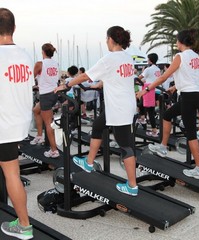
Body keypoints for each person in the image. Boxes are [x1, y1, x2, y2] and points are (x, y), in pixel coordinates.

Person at [55, 26, 138, 196]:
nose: (105, 41)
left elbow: (86, 76)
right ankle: (89, 162)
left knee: (125, 147)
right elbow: (118, 78)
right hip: (124, 106)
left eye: (106, 38)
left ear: (111, 39)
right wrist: (102, 83)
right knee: (98, 125)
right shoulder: (128, 58)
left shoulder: (109, 58)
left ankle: (132, 186)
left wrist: (67, 84)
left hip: (119, 109)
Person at [137, 29, 199, 180]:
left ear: (180, 42)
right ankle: (163, 147)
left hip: (188, 96)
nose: (176, 43)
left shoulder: (180, 56)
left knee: (191, 134)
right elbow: (193, 77)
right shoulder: (196, 56)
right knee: (167, 115)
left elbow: (163, 77)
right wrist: (175, 87)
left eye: (176, 40)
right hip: (197, 94)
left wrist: (145, 90)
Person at [0, 8, 34, 239]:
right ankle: (23, 223)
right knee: (12, 172)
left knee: (11, 174)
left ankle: (24, 225)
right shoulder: (24, 55)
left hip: (3, 124)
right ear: (14, 28)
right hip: (18, 123)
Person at [30, 43, 60, 158]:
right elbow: (50, 79)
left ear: (43, 52)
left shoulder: (40, 64)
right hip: (53, 93)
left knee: (48, 124)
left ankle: (54, 150)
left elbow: (30, 78)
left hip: (46, 95)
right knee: (36, 110)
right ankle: (39, 135)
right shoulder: (55, 64)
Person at [137, 53, 161, 137]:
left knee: (140, 104)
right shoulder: (158, 69)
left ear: (150, 60)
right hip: (157, 91)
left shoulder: (148, 69)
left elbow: (139, 78)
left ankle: (143, 119)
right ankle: (154, 129)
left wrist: (141, 74)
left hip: (150, 90)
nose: (147, 61)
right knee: (150, 111)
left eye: (148, 59)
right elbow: (149, 79)